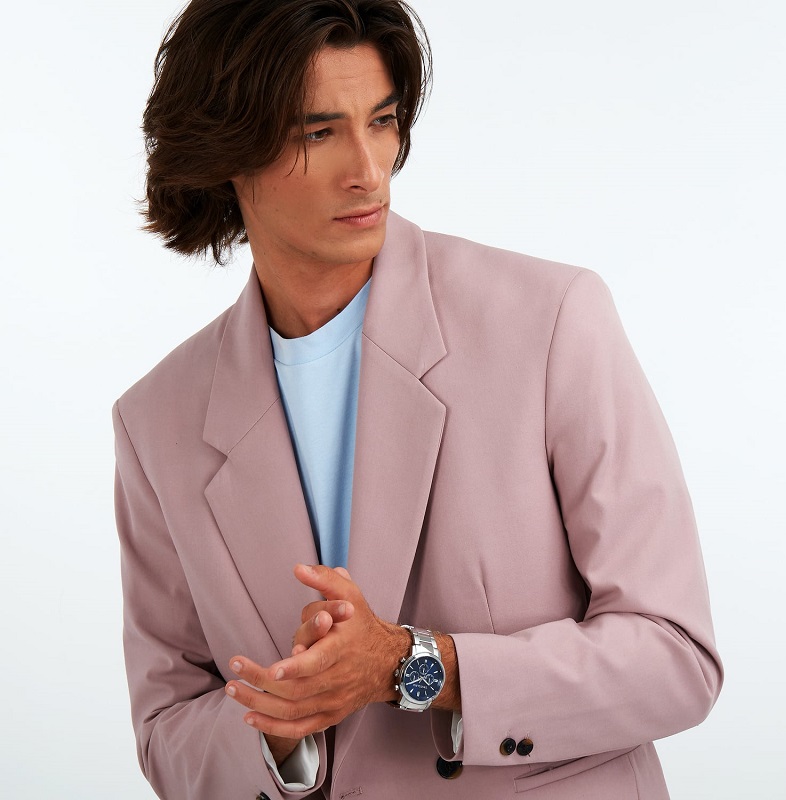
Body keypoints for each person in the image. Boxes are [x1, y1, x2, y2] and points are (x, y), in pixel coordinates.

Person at [113, 1, 723, 798]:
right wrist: (277, 730)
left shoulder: (549, 321)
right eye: (318, 132)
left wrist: (414, 666)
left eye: (383, 120)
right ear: (226, 150)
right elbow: (166, 724)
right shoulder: (157, 421)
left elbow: (676, 655)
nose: (369, 169)